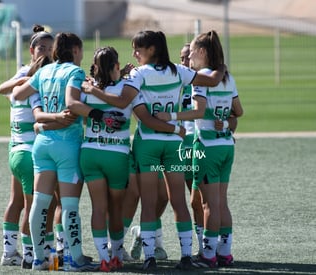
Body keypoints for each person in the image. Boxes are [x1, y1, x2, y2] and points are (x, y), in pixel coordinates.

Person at [81, 30, 226, 271]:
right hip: (174, 144)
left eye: (138, 48)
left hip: (147, 143)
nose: (134, 53)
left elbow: (122, 103)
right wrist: (220, 64)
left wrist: (92, 91)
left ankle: (149, 257)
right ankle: (186, 256)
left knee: (148, 204)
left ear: (152, 49)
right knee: (179, 201)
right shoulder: (178, 70)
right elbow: (211, 81)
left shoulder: (139, 74)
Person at [68, 46, 185, 272]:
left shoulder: (86, 89)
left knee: (98, 208)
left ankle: (103, 259)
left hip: (90, 152)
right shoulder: (128, 88)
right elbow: (145, 117)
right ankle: (116, 254)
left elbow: (78, 115)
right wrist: (175, 128)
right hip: (117, 155)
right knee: (116, 208)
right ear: (115, 66)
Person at [156, 30, 243, 268]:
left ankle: (208, 255)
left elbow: (198, 111)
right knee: (221, 202)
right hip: (226, 145)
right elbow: (239, 110)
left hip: (207, 146)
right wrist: (224, 121)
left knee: (209, 205)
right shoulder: (228, 77)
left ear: (203, 52)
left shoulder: (201, 78)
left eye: (192, 51)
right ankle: (224, 253)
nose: (189, 57)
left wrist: (170, 116)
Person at [12, 32, 98, 271]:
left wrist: (43, 116)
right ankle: (75, 259)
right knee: (70, 205)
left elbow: (18, 95)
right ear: (76, 51)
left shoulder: (43, 72)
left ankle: (40, 259)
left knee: (40, 203)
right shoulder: (74, 72)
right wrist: (97, 113)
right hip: (67, 146)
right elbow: (72, 104)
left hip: (42, 145)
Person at [0, 25, 55, 269]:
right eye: (42, 47)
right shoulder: (32, 77)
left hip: (16, 150)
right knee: (35, 206)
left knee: (17, 202)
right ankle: (31, 254)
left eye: (50, 48)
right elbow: (2, 88)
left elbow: (3, 89)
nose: (46, 52)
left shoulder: (39, 74)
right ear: (31, 50)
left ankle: (9, 252)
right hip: (30, 153)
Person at [179, 42, 204, 258]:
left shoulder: (206, 84)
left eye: (188, 57)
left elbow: (231, 113)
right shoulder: (174, 83)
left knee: (196, 200)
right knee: (160, 200)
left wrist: (226, 125)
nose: (185, 61)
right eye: (182, 58)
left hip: (197, 149)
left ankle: (203, 247)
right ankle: (148, 237)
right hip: (174, 149)